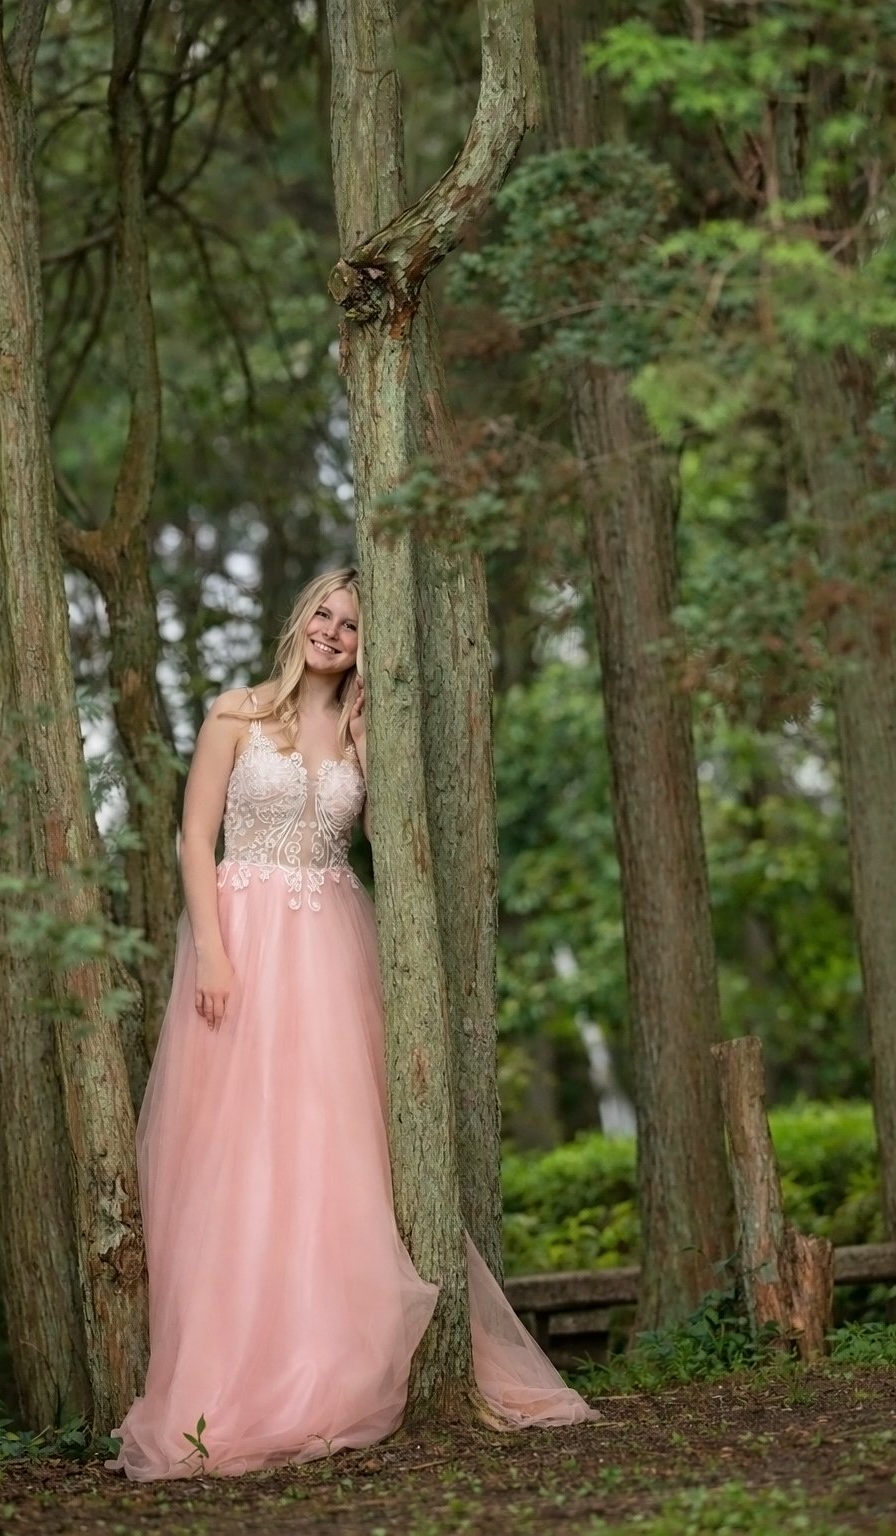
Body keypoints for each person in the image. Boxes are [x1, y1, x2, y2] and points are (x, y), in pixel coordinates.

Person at [107, 567, 596, 1481]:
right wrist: (211, 952)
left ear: (368, 645)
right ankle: (240, 1371)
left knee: (335, 1152)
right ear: (300, 621)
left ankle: (334, 1362)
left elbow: (382, 843)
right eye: (325, 615)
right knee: (241, 1158)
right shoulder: (236, 714)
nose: (334, 633)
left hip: (332, 949)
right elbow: (193, 838)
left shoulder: (363, 730)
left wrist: (369, 744)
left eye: (353, 626)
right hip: (244, 941)